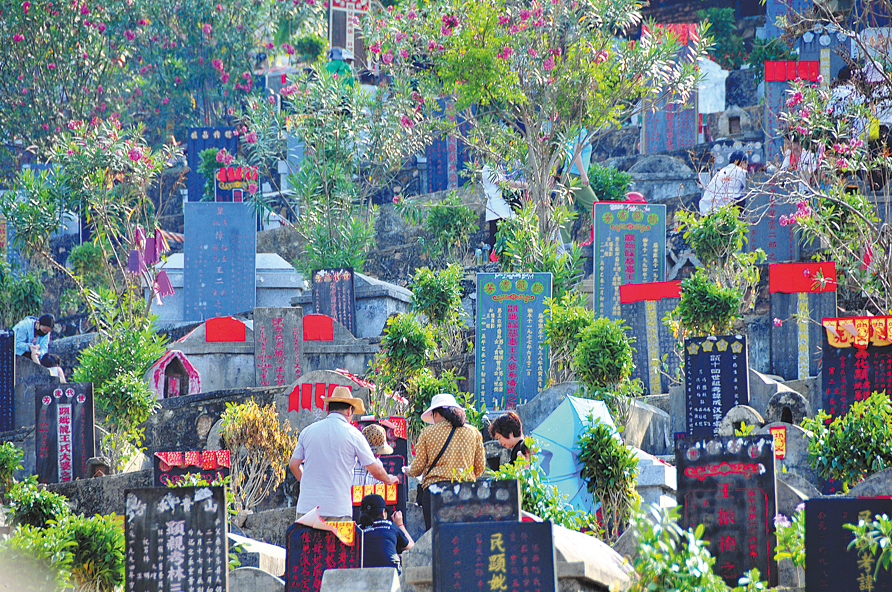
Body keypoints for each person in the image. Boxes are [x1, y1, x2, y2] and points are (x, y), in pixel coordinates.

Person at [289, 387, 399, 522]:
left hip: (306, 510)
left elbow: (294, 465)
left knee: (308, 543)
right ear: (349, 411)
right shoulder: (353, 434)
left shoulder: (308, 431)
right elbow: (375, 469)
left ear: (329, 409)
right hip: (338, 509)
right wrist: (388, 479)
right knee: (338, 544)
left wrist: (308, 484)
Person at [405, 393, 486, 530]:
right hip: (465, 491)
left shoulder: (427, 433)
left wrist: (409, 471)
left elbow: (417, 468)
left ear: (435, 414)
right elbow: (479, 468)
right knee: (463, 535)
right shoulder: (473, 432)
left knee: (435, 538)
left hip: (435, 493)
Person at [357, 493, 414, 573]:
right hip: (391, 578)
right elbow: (413, 549)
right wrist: (400, 524)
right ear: (383, 513)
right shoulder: (390, 526)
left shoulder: (357, 530)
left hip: (363, 578)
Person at [560, 127, 595, 243]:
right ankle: (601, 237)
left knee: (567, 210)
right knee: (595, 206)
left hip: (567, 174)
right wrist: (583, 175)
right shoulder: (581, 131)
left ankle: (565, 244)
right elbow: (576, 152)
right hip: (575, 175)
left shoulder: (572, 129)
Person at [699, 151, 748, 215]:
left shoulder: (721, 171)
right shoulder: (740, 171)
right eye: (747, 164)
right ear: (743, 162)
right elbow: (749, 190)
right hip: (720, 210)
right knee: (743, 200)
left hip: (704, 211)